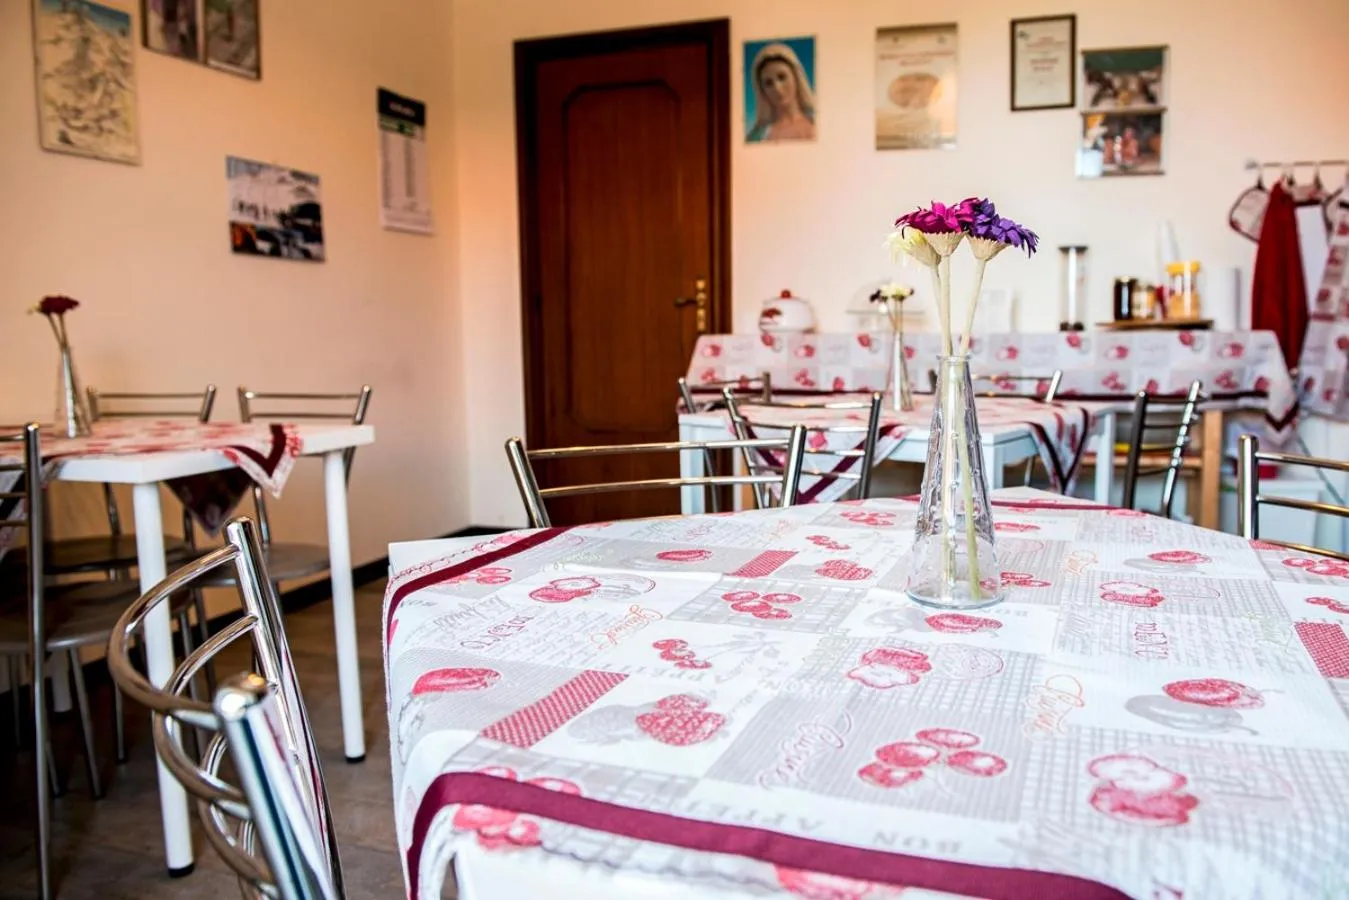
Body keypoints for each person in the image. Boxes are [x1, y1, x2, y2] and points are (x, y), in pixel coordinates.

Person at [748, 42, 816, 142]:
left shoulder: (819, 123)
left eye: (782, 77)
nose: (777, 88)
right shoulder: (757, 137)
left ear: (796, 77)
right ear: (762, 91)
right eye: (768, 83)